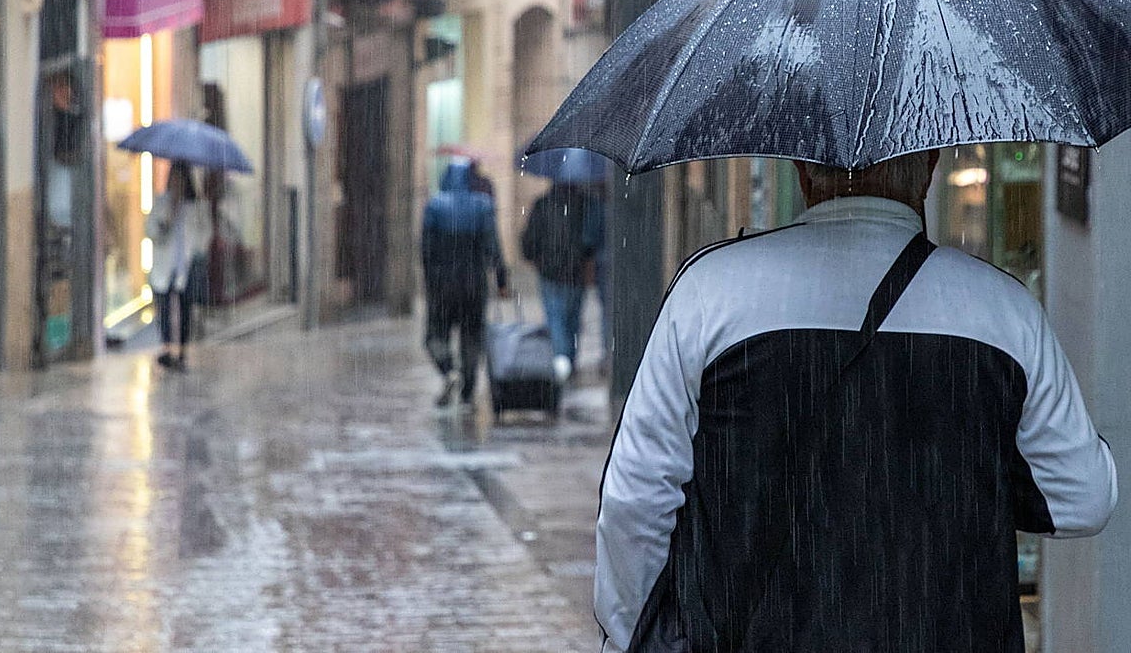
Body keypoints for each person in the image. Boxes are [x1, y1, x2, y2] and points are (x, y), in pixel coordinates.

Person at [595, 150, 1117, 652]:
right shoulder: (1004, 310)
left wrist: (632, 636)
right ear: (930, 169)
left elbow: (636, 499)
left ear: (802, 171)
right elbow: (1082, 498)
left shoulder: (710, 291)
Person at [421, 157, 509, 407]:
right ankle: (467, 392)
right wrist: (501, 279)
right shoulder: (482, 206)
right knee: (471, 337)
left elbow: (426, 251)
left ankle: (449, 370)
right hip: (474, 285)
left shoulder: (434, 207)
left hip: (442, 286)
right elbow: (493, 247)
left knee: (435, 336)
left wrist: (430, 282)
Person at [520, 180, 600, 381]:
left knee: (555, 319)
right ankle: (568, 361)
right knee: (572, 320)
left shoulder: (543, 204)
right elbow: (590, 240)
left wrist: (535, 257)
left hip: (550, 272)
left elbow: (530, 238)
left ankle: (561, 362)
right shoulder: (585, 203)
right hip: (575, 272)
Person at [147, 162, 212, 369]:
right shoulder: (161, 203)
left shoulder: (197, 206)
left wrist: (197, 250)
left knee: (185, 309)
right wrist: (169, 217)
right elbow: (151, 231)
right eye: (174, 178)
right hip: (165, 266)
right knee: (164, 309)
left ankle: (182, 352)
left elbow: (205, 234)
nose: (177, 183)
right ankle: (167, 349)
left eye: (180, 179)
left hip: (187, 266)